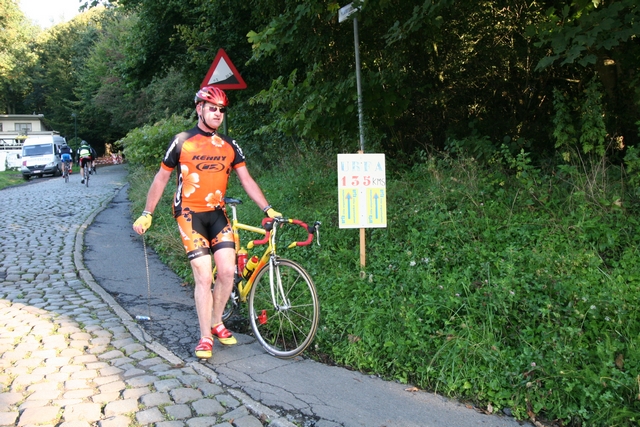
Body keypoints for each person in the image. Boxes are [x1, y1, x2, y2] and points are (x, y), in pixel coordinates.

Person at [132, 86, 282, 359]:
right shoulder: (182, 141)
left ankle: (216, 321)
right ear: (199, 109)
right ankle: (204, 337)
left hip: (216, 213)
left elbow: (246, 179)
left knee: (226, 273)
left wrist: (267, 207)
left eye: (222, 109)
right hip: (189, 214)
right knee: (203, 276)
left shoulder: (229, 145)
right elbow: (161, 178)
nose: (218, 114)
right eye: (212, 108)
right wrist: (147, 212)